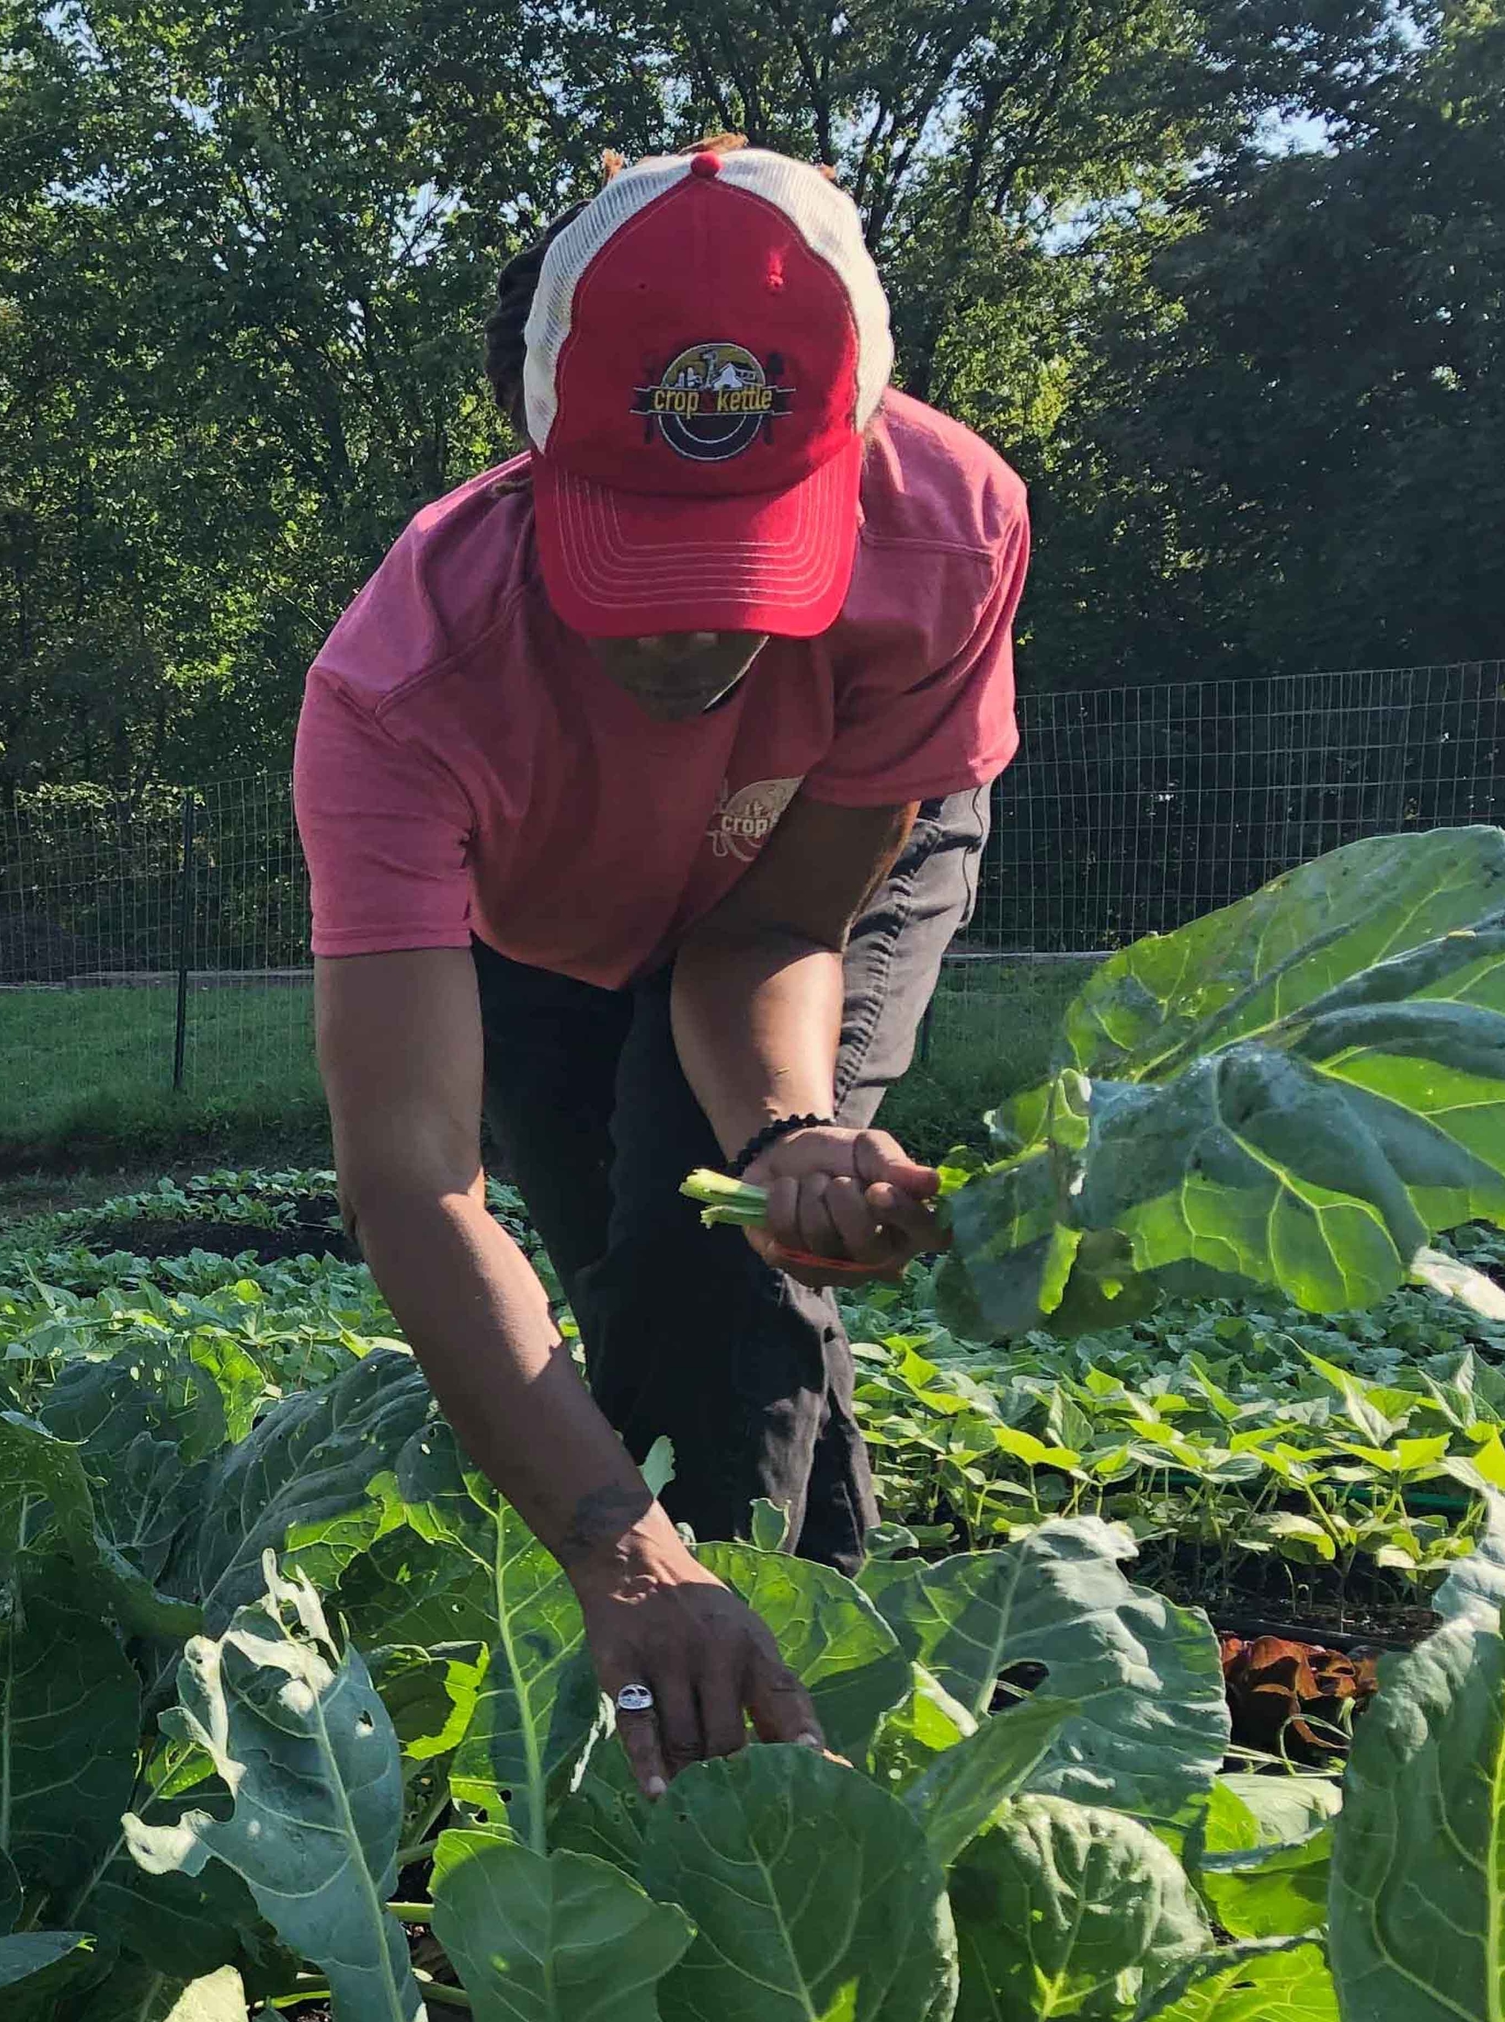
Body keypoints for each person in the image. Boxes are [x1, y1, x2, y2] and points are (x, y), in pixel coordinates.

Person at [298, 142, 1028, 1797]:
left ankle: (762, 1772)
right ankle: (711, 1630)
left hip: (814, 867)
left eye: (750, 563)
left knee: (717, 1236)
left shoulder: (952, 533)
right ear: (535, 452)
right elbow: (415, 1183)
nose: (693, 634)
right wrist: (614, 1550)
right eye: (642, 562)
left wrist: (788, 1132)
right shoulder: (404, 690)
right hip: (543, 923)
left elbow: (775, 931)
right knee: (625, 1282)